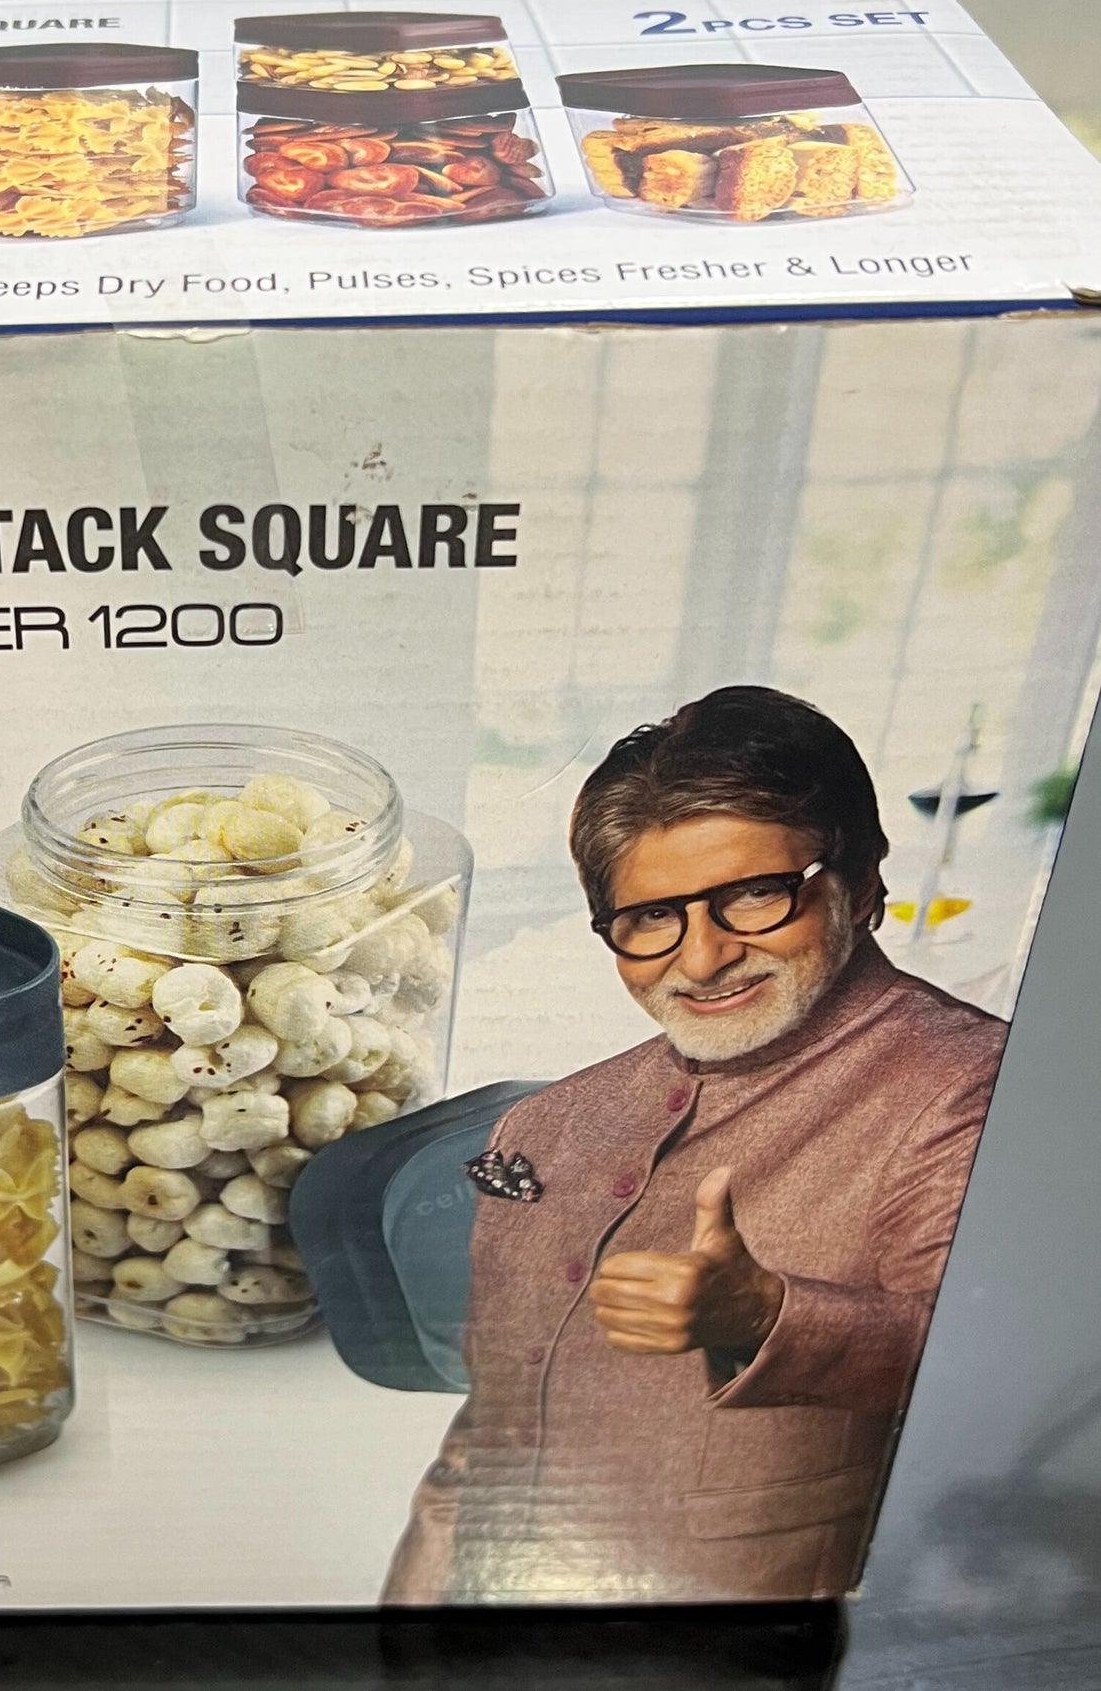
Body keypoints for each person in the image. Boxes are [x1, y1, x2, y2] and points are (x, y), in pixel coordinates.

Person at [384, 685, 1008, 1603]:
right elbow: (484, 1441)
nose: (704, 958)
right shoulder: (547, 1124)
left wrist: (766, 1316)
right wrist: (407, 1631)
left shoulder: (973, 1086)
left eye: (755, 896)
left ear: (862, 884)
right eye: (651, 917)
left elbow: (996, 1370)